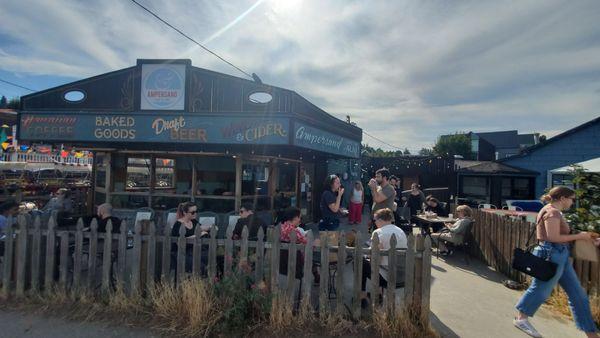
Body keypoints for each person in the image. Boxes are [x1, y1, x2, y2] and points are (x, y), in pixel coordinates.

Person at [513, 186, 598, 338]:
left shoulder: (553, 210)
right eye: (572, 199)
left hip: (559, 254)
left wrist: (588, 237)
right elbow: (552, 237)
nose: (573, 202)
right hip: (552, 253)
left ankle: (591, 334)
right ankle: (521, 319)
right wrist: (580, 237)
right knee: (541, 288)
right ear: (563, 198)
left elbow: (562, 234)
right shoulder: (552, 212)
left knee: (578, 295)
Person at [360, 208, 408, 307]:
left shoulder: (378, 232)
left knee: (360, 263)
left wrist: (367, 256)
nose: (375, 222)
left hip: (387, 277)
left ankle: (362, 296)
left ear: (380, 220)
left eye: (375, 220)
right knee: (376, 263)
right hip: (402, 275)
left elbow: (374, 256)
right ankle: (378, 293)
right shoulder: (400, 231)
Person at [279, 207, 319, 283]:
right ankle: (317, 277)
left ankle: (317, 276)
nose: (300, 220)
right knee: (312, 256)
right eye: (300, 217)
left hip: (282, 260)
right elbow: (309, 245)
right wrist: (315, 242)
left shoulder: (281, 228)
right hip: (296, 260)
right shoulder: (294, 231)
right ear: (295, 217)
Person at [171, 202, 207, 273]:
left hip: (192, 252)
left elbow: (201, 227)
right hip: (181, 253)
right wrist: (197, 235)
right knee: (200, 266)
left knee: (209, 259)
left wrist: (211, 227)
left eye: (196, 211)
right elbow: (180, 242)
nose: (195, 214)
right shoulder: (178, 225)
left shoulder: (193, 221)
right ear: (185, 213)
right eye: (193, 212)